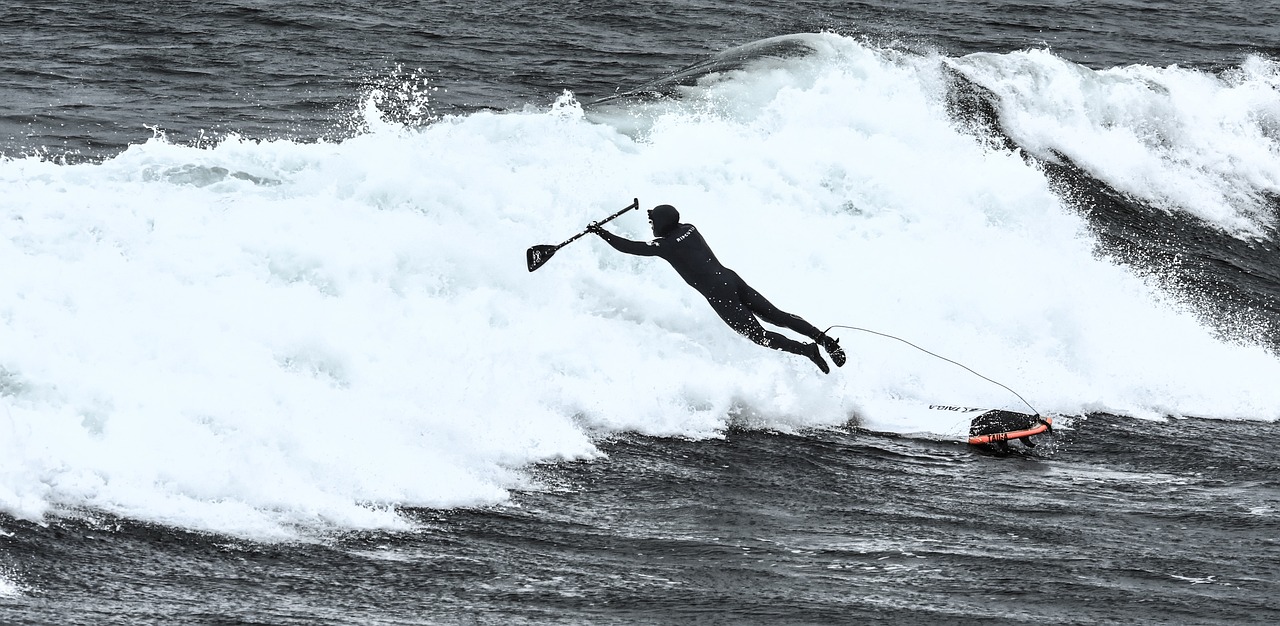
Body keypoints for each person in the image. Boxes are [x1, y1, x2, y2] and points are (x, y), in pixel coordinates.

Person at [588, 204, 845, 374]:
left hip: (719, 293)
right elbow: (668, 223)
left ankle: (807, 350)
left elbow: (629, 247)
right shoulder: (690, 229)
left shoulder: (664, 245)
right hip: (731, 279)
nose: (651, 226)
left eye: (653, 221)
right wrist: (656, 213)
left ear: (662, 224)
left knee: (759, 335)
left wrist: (601, 233)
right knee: (776, 315)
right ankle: (823, 339)